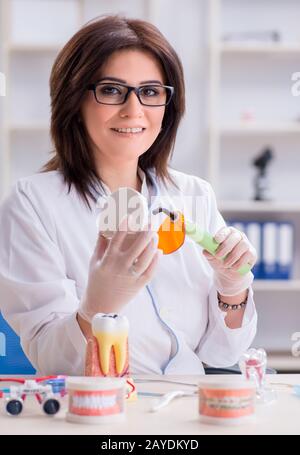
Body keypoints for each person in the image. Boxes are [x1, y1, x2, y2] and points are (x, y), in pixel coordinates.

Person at [0, 15, 257, 375]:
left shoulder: (194, 194)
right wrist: (95, 308)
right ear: (74, 100)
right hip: (103, 415)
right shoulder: (32, 204)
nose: (133, 110)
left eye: (150, 92)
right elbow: (52, 361)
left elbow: (220, 355)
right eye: (111, 90)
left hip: (188, 409)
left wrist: (232, 291)